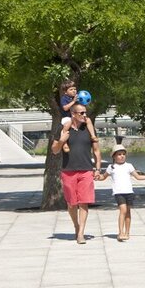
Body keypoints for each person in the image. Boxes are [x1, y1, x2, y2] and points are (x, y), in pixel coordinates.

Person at [51, 103, 101, 244]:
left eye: (85, 112)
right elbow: (54, 150)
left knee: (84, 202)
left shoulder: (88, 129)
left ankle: (81, 233)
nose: (85, 115)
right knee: (72, 203)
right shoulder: (63, 129)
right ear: (73, 114)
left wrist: (97, 168)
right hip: (68, 171)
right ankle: (76, 226)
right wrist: (61, 141)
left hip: (86, 170)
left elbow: (96, 150)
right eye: (81, 113)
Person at [96, 145, 145, 242]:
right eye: (119, 154)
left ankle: (127, 232)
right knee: (123, 210)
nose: (122, 156)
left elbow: (138, 177)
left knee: (128, 212)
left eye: (123, 154)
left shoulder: (129, 166)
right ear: (114, 156)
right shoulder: (111, 167)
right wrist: (98, 177)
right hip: (119, 192)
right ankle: (120, 232)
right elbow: (104, 177)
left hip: (129, 192)